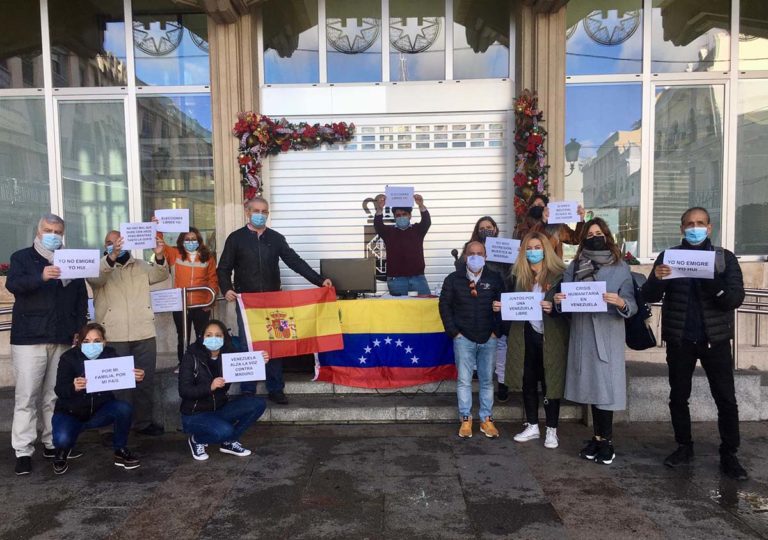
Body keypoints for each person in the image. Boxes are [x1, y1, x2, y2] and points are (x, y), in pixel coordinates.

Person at [641, 207, 747, 480]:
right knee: (678, 397)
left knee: (725, 398)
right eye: (689, 224)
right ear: (682, 229)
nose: (695, 227)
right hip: (680, 340)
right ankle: (684, 446)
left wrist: (714, 284)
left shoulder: (724, 258)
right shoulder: (669, 257)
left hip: (716, 341)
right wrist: (657, 277)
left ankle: (729, 454)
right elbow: (649, 295)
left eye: (700, 223)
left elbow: (734, 299)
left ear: (709, 228)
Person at [217, 197, 332, 404]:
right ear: (247, 212)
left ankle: (276, 388)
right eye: (257, 211)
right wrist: (226, 289)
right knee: (248, 345)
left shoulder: (276, 238)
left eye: (264, 211)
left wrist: (320, 280)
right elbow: (223, 268)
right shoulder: (236, 239)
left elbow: (295, 262)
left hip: (273, 301)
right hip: (248, 303)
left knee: (275, 344)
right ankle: (248, 390)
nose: (261, 215)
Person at [6, 214, 88, 476]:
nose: (53, 234)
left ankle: (52, 441)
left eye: (58, 231)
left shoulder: (70, 260)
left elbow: (79, 298)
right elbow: (13, 284)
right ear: (39, 232)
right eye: (48, 230)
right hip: (29, 338)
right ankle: (22, 450)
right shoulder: (22, 258)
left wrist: (78, 329)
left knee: (54, 394)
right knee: (27, 396)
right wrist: (41, 276)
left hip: (62, 337)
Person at [554, 218, 636, 465]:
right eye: (589, 233)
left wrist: (620, 302)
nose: (594, 236)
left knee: (606, 391)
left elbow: (630, 303)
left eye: (598, 232)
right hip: (583, 333)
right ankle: (597, 437)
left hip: (607, 333)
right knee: (592, 387)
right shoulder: (575, 265)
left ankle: (607, 442)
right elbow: (566, 298)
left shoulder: (620, 266)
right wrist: (559, 299)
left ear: (607, 235)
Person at [87, 230, 170, 438]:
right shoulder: (99, 266)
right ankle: (111, 427)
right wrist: (111, 257)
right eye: (109, 243)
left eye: (118, 242)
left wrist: (159, 254)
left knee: (144, 381)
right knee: (113, 385)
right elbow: (96, 280)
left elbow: (160, 274)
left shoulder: (141, 265)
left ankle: (143, 423)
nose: (114, 245)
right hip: (113, 335)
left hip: (143, 332)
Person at [495, 232, 569, 449]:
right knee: (528, 381)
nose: (533, 252)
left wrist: (555, 307)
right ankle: (533, 425)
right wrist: (502, 307)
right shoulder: (520, 277)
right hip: (527, 336)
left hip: (551, 337)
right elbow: (515, 305)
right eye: (529, 248)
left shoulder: (559, 276)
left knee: (550, 382)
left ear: (545, 249)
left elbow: (569, 307)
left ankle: (552, 430)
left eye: (537, 247)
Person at [51, 323, 144, 474]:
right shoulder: (68, 358)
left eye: (97, 340)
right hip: (71, 413)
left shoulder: (109, 354)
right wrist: (73, 387)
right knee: (62, 439)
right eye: (86, 341)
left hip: (99, 412)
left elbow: (122, 375)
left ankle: (120, 449)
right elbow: (59, 390)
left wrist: (137, 377)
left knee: (124, 409)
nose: (92, 345)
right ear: (79, 342)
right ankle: (62, 451)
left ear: (104, 342)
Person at [439, 241, 503, 439]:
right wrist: (454, 332)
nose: (476, 256)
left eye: (480, 253)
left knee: (486, 381)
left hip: (488, 337)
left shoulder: (495, 278)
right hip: (463, 337)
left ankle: (486, 419)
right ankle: (465, 418)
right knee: (464, 381)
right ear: (465, 256)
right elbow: (444, 306)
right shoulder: (453, 279)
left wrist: (497, 332)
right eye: (472, 253)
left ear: (485, 256)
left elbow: (505, 305)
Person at [179, 319, 268, 461]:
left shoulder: (229, 354)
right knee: (225, 431)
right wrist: (210, 387)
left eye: (218, 335)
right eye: (209, 335)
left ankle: (229, 442)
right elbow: (184, 391)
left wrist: (260, 360)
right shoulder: (191, 356)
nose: (213, 338)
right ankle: (197, 440)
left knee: (258, 404)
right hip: (195, 414)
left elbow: (247, 365)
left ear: (224, 338)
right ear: (202, 337)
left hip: (220, 408)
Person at [453, 216, 512, 402]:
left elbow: (514, 273)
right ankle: (476, 372)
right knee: (474, 342)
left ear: (495, 229)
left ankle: (502, 381)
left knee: (501, 343)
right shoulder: (470, 248)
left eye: (489, 227)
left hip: (500, 300)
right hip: (475, 302)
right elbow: (461, 271)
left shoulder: (505, 247)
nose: (486, 230)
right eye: (482, 227)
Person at [153, 223, 219, 367]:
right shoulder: (175, 254)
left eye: (193, 239)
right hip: (180, 304)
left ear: (199, 240)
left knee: (203, 336)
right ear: (182, 241)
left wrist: (210, 301)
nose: (190, 242)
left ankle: (203, 363)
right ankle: (183, 364)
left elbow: (213, 280)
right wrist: (157, 226)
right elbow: (159, 243)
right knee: (183, 336)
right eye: (187, 239)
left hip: (201, 304)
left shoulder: (208, 258)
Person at [373, 193, 431, 296]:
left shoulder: (418, 230)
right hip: (396, 280)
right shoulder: (388, 232)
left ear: (410, 215)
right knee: (399, 309)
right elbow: (378, 225)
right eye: (398, 215)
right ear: (395, 217)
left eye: (404, 214)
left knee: (425, 306)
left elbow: (426, 222)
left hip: (418, 278)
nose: (401, 217)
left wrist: (421, 205)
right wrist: (380, 208)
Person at [514, 193, 586, 259]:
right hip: (532, 266)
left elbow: (575, 239)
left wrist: (581, 220)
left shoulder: (556, 224)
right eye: (533, 205)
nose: (536, 207)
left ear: (546, 207)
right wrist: (542, 222)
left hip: (554, 268)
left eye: (539, 205)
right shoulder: (523, 224)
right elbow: (525, 240)